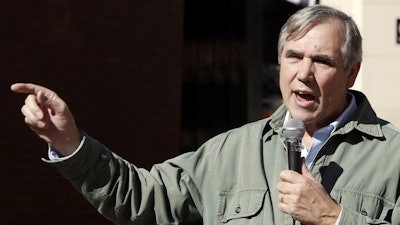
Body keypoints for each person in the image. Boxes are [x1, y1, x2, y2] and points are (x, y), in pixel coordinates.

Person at [10, 4, 400, 225]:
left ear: (351, 71)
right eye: (293, 56)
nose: (304, 73)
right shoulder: (231, 151)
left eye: (323, 61)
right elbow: (143, 198)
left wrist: (335, 219)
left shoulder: (392, 157)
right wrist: (68, 143)